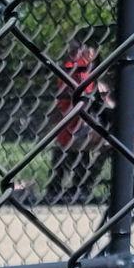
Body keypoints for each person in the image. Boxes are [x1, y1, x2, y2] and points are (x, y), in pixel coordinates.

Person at [46, 40, 110, 203]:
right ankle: (79, 186)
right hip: (74, 125)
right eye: (87, 51)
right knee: (95, 143)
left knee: (94, 145)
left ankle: (75, 186)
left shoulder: (79, 68)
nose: (89, 55)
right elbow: (90, 98)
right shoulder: (78, 69)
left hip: (74, 125)